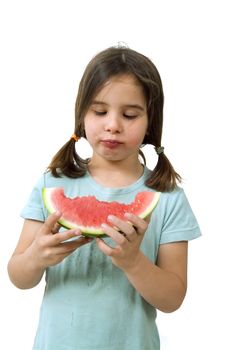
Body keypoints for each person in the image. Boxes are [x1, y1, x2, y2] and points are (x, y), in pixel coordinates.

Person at [7, 45, 201, 350]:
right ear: (81, 114)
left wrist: (133, 262)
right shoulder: (51, 184)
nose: (112, 124)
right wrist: (36, 257)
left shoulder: (167, 198)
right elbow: (18, 276)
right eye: (99, 111)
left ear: (151, 121)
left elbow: (172, 298)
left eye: (130, 114)